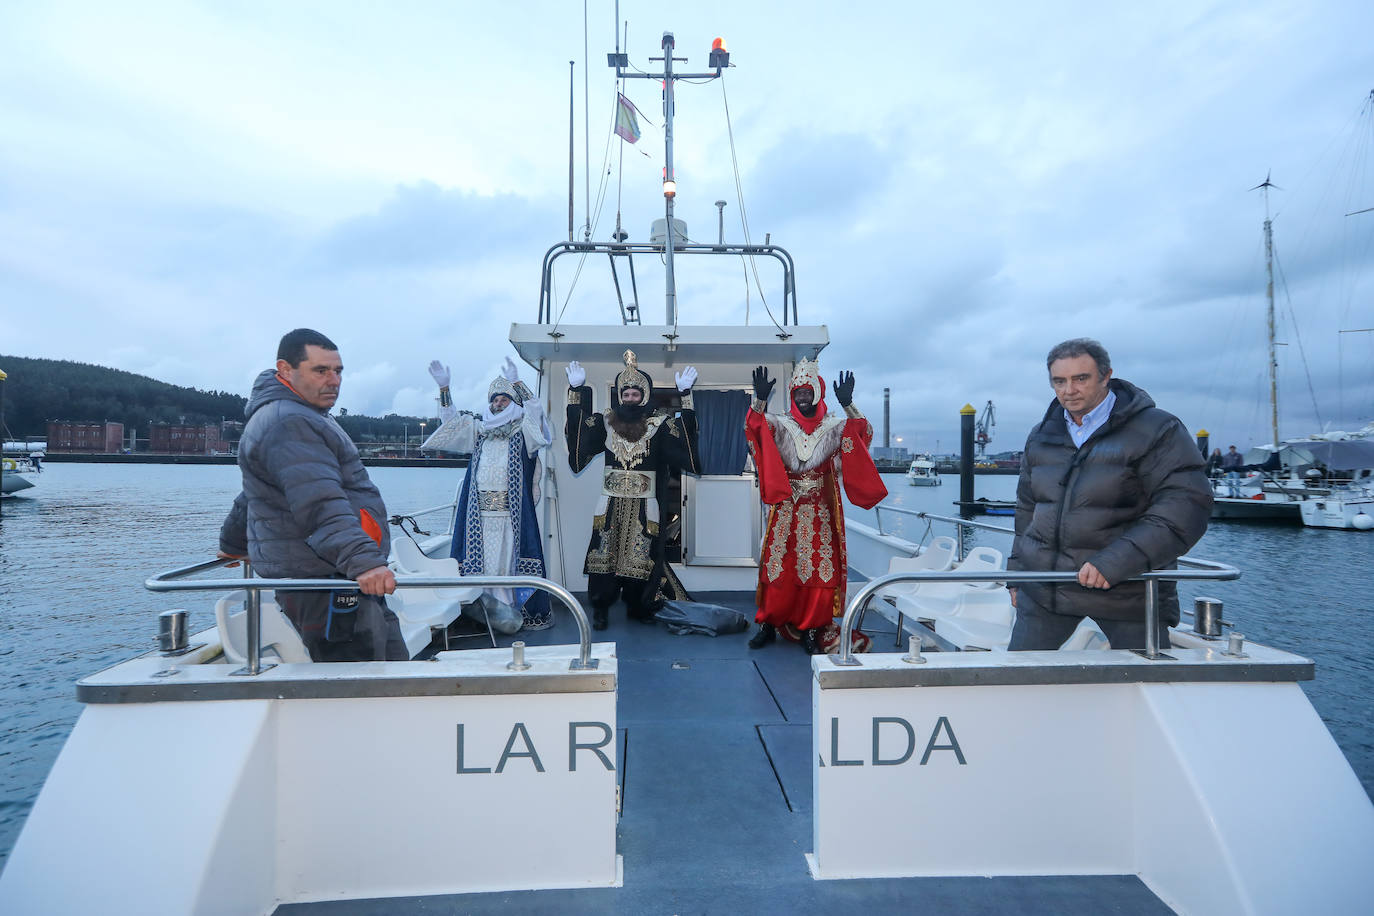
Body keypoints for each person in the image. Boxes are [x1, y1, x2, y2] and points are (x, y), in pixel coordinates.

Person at [1007, 338, 1212, 651]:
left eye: (1081, 378)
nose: (1069, 390)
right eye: (1059, 381)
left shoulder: (1158, 430)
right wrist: (1017, 574)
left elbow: (1185, 506)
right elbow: (1027, 509)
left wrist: (1116, 561)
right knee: (1016, 681)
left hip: (1128, 588)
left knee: (1147, 684)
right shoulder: (1042, 434)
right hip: (1045, 588)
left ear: (1106, 376)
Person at [219, 328, 407, 662]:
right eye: (320, 371)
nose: (333, 380)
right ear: (285, 370)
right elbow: (320, 504)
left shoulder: (292, 415)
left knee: (386, 674)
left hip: (336, 576)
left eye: (338, 371)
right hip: (327, 582)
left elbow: (257, 492)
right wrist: (364, 563)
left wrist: (234, 544)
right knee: (367, 688)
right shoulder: (290, 422)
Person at [744, 360, 887, 654]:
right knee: (777, 567)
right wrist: (759, 400)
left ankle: (811, 628)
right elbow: (753, 428)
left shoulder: (835, 427)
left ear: (818, 393)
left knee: (820, 571)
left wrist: (848, 404)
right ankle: (768, 624)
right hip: (785, 507)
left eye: (807, 392)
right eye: (797, 392)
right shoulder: (780, 424)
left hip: (820, 510)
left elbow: (863, 434)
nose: (802, 397)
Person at [565, 350, 700, 630]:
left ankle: (638, 607)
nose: (629, 399)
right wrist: (575, 392)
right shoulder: (605, 423)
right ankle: (600, 608)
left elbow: (685, 447)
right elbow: (579, 441)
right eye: (625, 394)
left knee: (642, 556)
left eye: (635, 395)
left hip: (644, 505)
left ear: (644, 397)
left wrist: (686, 398)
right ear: (619, 396)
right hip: (611, 504)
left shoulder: (659, 426)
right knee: (604, 555)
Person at [444, 356, 554, 630]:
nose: (498, 403)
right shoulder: (480, 430)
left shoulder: (523, 431)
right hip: (478, 515)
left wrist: (519, 383)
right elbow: (450, 425)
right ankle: (481, 612)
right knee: (482, 567)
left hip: (509, 516)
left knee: (506, 565)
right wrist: (444, 390)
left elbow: (536, 413)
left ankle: (510, 613)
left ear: (513, 403)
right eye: (495, 399)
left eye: (504, 399)